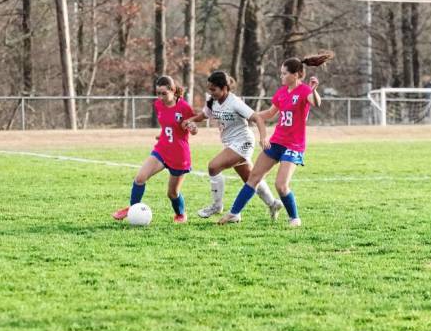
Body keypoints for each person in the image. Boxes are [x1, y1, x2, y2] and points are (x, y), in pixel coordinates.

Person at [218, 51, 334, 227]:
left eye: (285, 73)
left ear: (296, 75)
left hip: (293, 146)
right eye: (281, 73)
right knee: (253, 177)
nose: (281, 76)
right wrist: (250, 116)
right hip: (277, 141)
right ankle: (234, 213)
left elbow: (316, 102)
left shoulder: (304, 91)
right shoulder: (281, 93)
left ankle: (294, 218)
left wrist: (314, 90)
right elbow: (271, 114)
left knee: (280, 185)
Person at [183, 71, 283, 219]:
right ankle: (273, 203)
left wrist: (263, 138)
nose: (211, 92)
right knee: (250, 178)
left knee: (213, 166)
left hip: (243, 142)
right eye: (209, 89)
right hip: (231, 143)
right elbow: (204, 116)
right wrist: (190, 120)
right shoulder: (213, 102)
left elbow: (257, 118)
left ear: (224, 88)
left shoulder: (235, 102)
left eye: (213, 89)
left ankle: (217, 206)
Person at [112, 75, 197, 223]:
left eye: (164, 93)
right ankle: (132, 209)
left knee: (172, 193)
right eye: (158, 93)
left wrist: (192, 127)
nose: (160, 97)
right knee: (139, 179)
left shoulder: (184, 107)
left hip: (179, 156)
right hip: (162, 150)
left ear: (173, 90)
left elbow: (193, 129)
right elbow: (167, 126)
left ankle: (181, 214)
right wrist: (162, 135)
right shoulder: (158, 105)